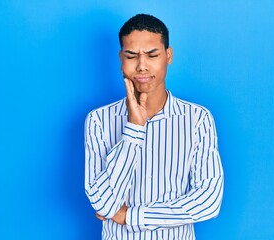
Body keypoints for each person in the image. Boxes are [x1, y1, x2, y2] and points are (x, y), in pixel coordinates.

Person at [84, 13, 224, 240]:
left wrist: (131, 216)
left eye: (152, 55)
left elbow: (208, 201)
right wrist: (134, 130)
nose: (141, 66)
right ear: (121, 58)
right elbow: (103, 203)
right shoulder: (98, 120)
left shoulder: (198, 119)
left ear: (168, 55)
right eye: (131, 56)